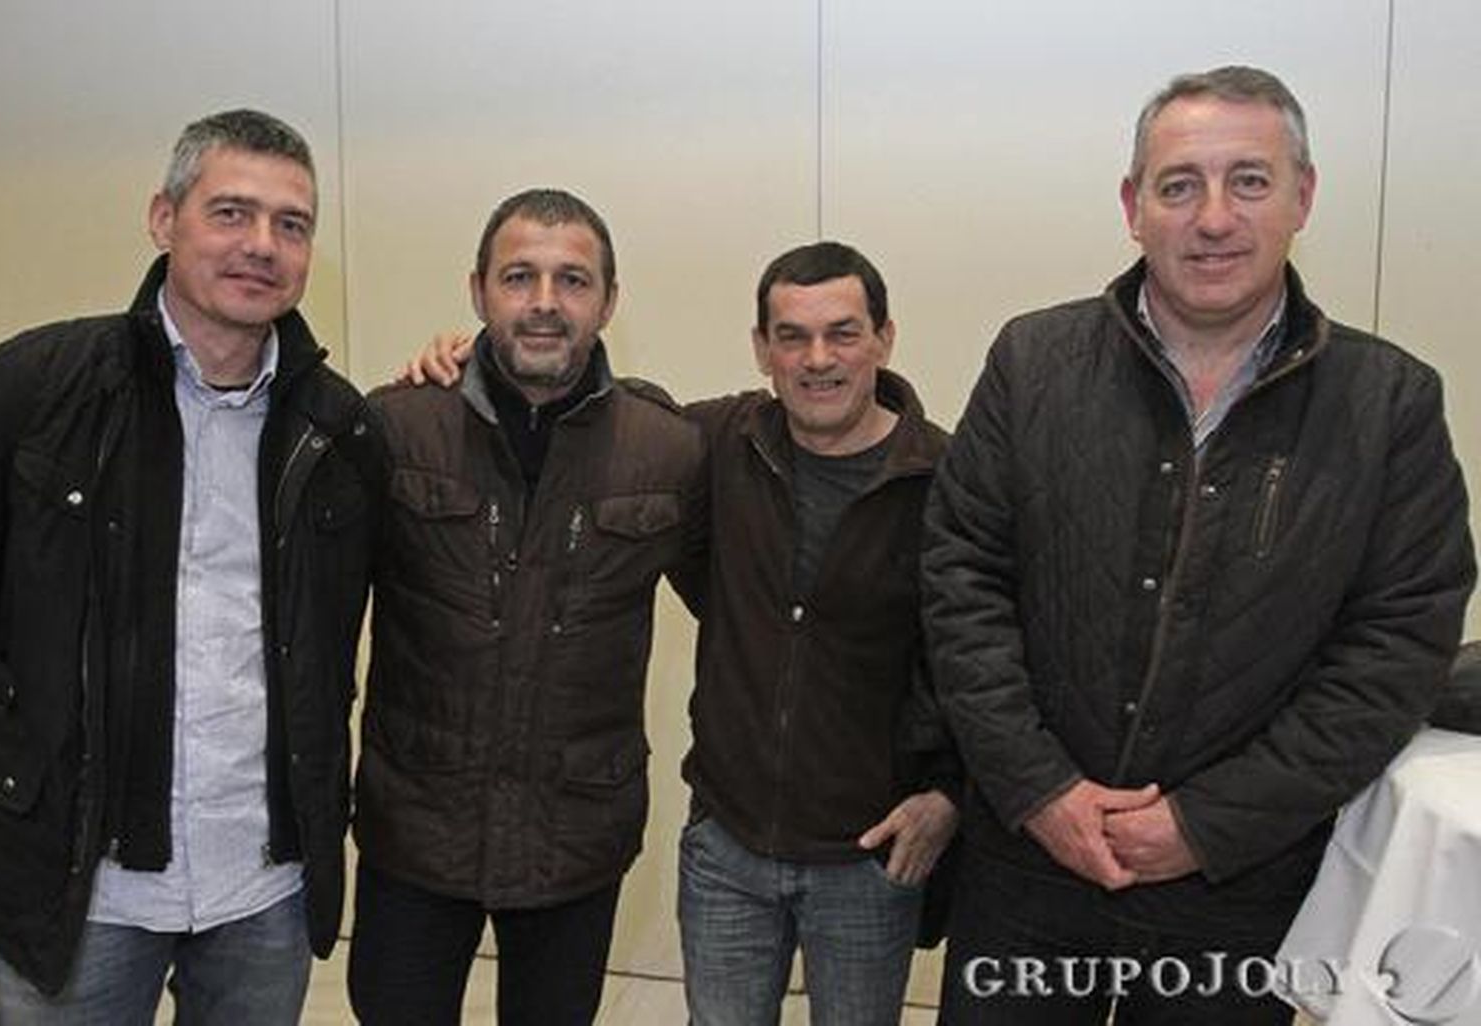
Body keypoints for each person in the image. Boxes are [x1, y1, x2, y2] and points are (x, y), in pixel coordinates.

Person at [920, 65, 1475, 1025]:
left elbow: (1396, 648)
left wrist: (1204, 824)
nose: (1213, 216)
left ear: (1303, 196)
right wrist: (1042, 788)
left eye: (1249, 180)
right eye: (1179, 185)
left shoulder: (1388, 405)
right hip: (1025, 873)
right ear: (1134, 207)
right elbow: (961, 577)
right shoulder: (1033, 363)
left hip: (1238, 891)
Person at [0, 109, 378, 1023]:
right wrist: (31, 723)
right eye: (230, 212)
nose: (262, 245)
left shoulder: (339, 432)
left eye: (292, 223)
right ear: (164, 219)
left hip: (261, 888)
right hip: (81, 888)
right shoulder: (31, 389)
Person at [409, 240, 961, 1025]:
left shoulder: (945, 481)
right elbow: (592, 401)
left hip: (868, 857)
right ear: (761, 349)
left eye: (842, 332)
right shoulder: (714, 445)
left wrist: (949, 793)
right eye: (791, 336)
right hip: (726, 850)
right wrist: (475, 358)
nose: (817, 359)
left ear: (884, 338)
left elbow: (980, 655)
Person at [349, 187, 707, 1026]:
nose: (545, 303)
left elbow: (752, 599)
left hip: (574, 835)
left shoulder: (670, 449)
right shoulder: (395, 426)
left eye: (573, 280)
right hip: (416, 825)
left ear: (609, 301)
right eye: (519, 277)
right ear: (477, 292)